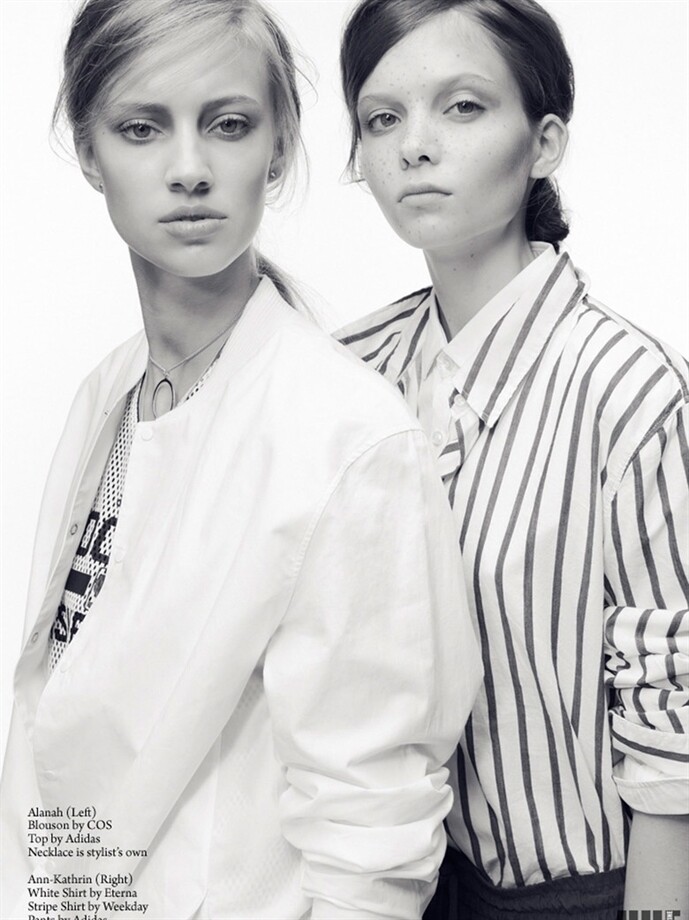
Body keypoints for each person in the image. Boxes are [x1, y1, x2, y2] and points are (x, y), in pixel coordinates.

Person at [0, 1, 483, 917]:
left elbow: (371, 835)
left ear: (280, 148)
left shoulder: (347, 436)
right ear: (89, 150)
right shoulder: (107, 393)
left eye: (227, 125)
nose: (189, 169)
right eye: (142, 128)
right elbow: (61, 727)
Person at [337, 1, 689, 917]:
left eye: (461, 107)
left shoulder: (631, 390)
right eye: (382, 118)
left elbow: (674, 707)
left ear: (543, 142)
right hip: (396, 882)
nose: (415, 146)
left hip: (590, 892)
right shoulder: (347, 374)